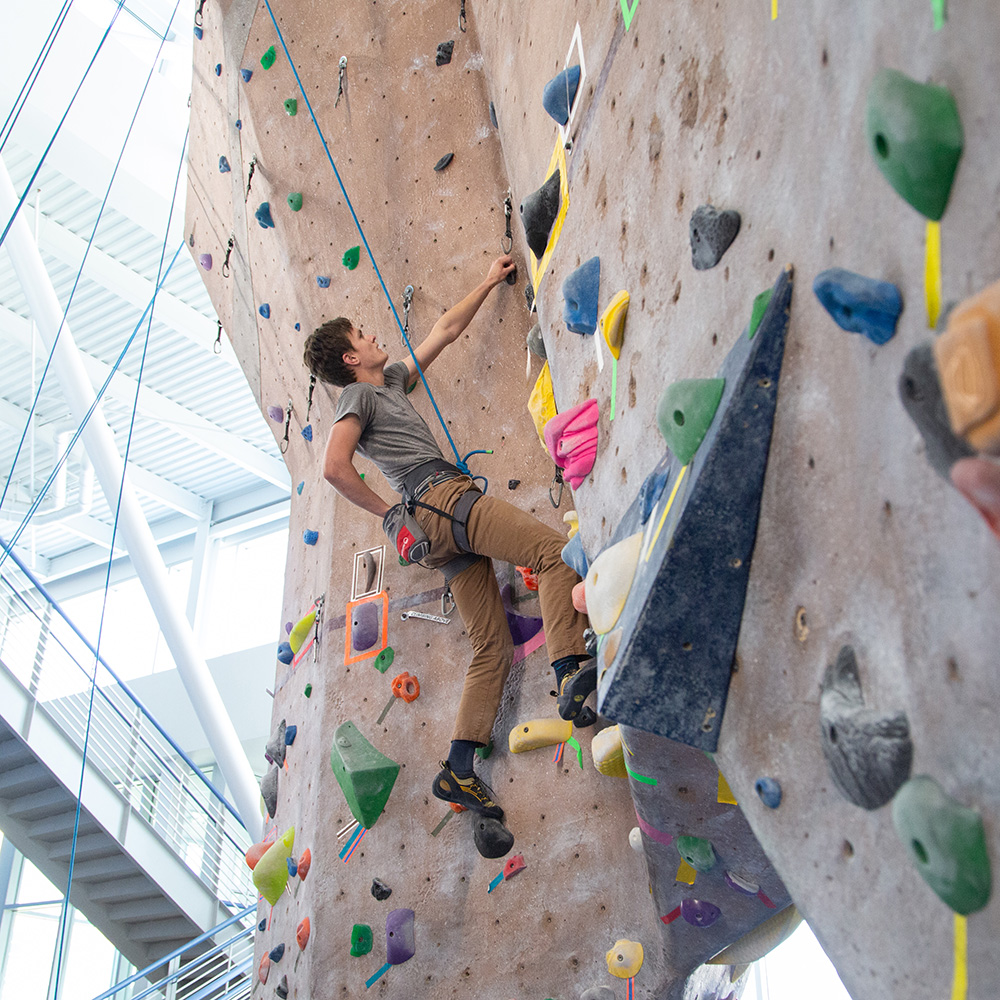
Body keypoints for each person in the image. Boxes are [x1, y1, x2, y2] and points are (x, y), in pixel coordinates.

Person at [303, 253, 594, 820]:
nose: (373, 333)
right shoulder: (356, 397)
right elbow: (334, 468)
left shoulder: (387, 383)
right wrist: (390, 514)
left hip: (435, 530)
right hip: (438, 500)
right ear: (349, 357)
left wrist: (487, 280)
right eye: (363, 334)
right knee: (555, 557)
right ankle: (570, 672)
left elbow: (445, 330)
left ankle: (460, 767)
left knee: (492, 646)